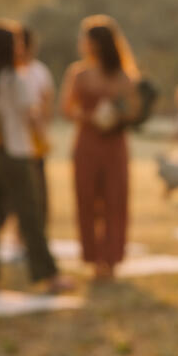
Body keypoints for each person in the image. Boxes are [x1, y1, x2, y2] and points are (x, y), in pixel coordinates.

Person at [0, 19, 68, 294]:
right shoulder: (13, 78)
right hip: (16, 154)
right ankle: (49, 276)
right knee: (30, 216)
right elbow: (31, 114)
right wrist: (44, 142)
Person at [61, 15, 140, 282]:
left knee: (115, 200)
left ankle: (111, 258)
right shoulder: (78, 73)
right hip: (87, 141)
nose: (81, 43)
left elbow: (133, 110)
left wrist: (119, 117)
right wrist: (89, 117)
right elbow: (67, 109)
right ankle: (94, 258)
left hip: (114, 144)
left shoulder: (123, 75)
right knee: (87, 199)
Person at [18, 26, 57, 231]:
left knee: (37, 189)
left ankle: (35, 232)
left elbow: (47, 105)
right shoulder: (9, 72)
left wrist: (41, 131)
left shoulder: (40, 72)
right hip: (11, 139)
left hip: (34, 139)